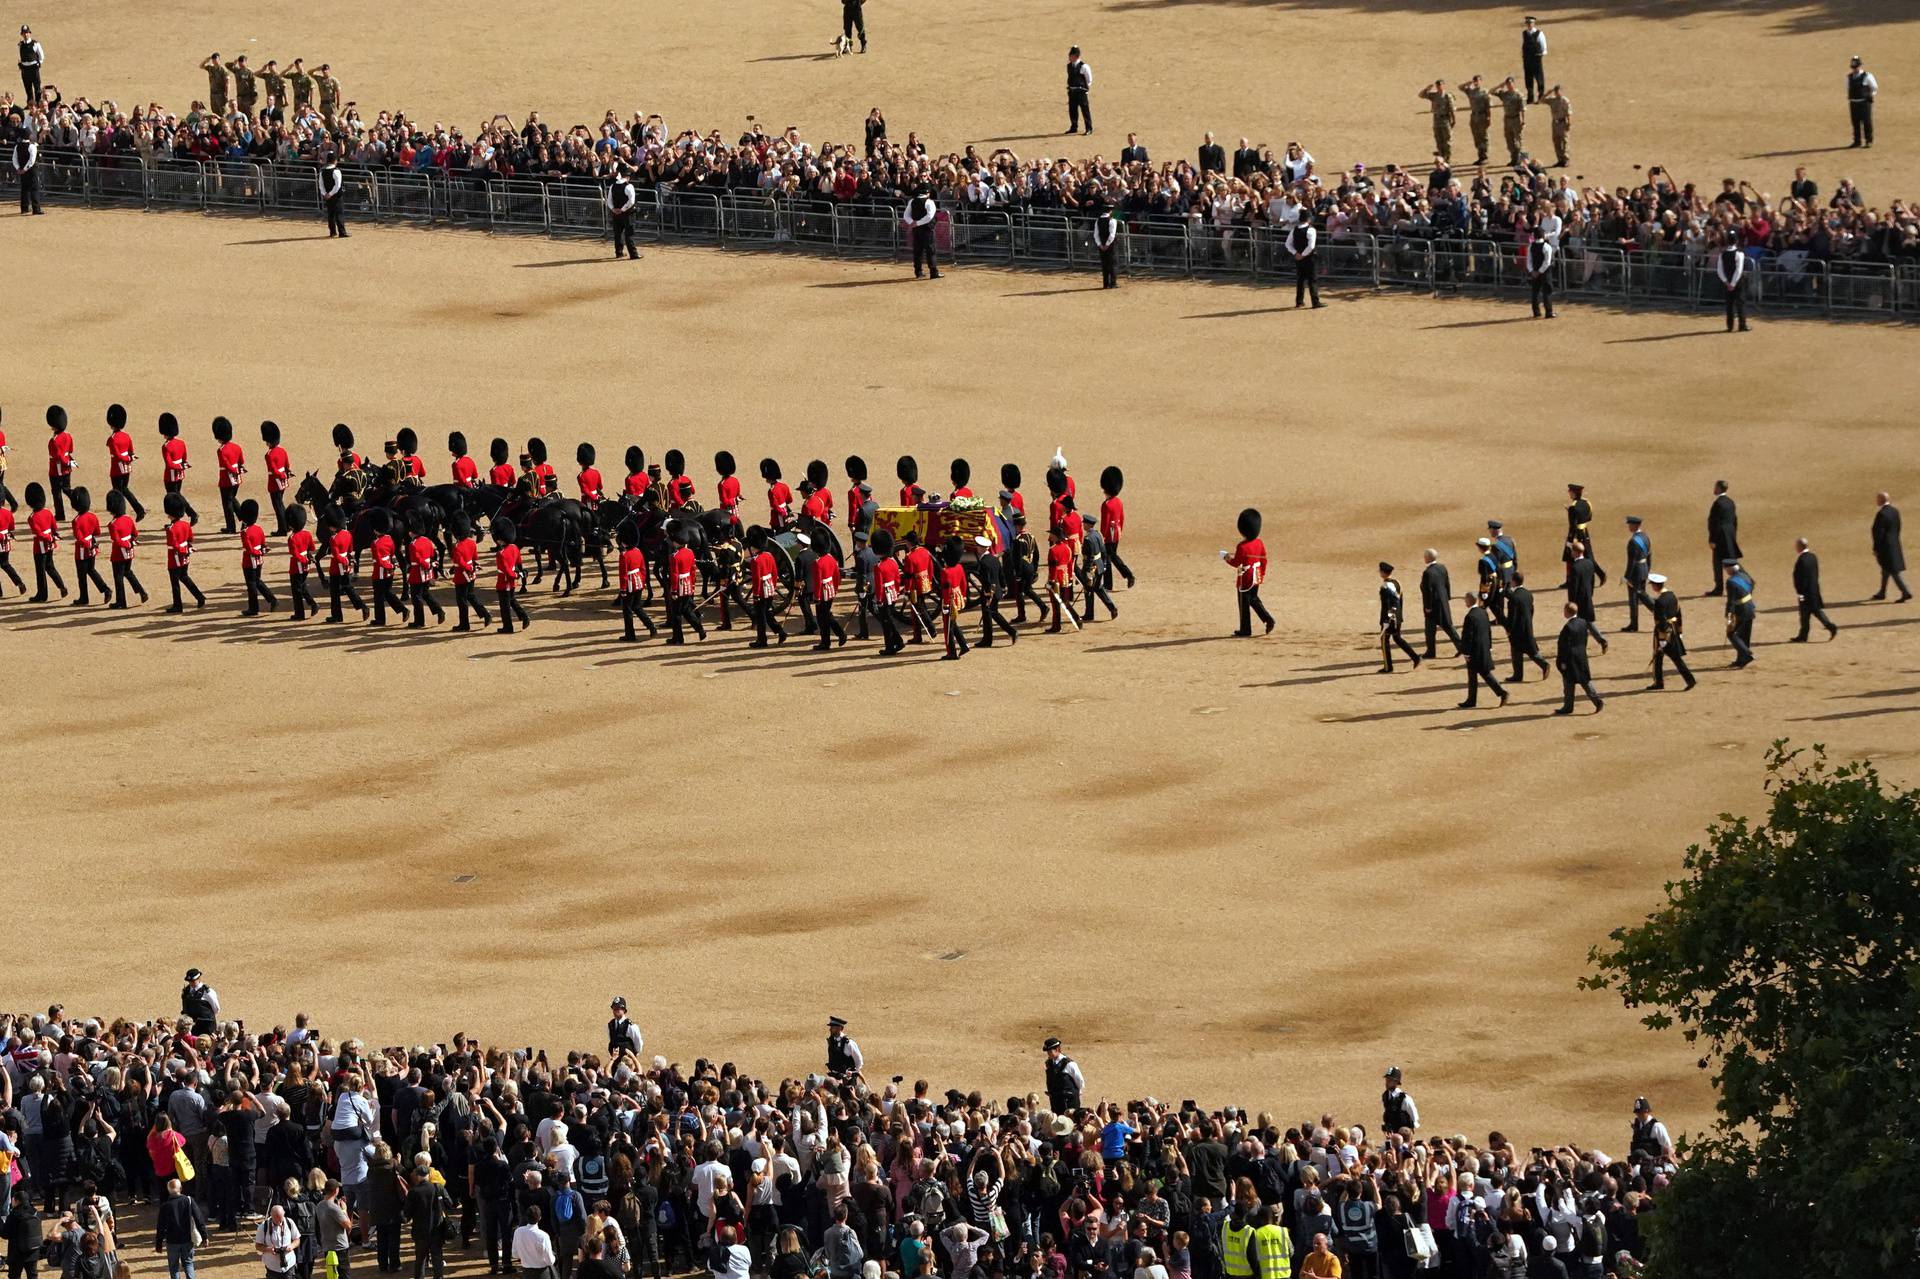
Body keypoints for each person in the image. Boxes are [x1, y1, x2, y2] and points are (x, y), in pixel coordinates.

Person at [1637, 574, 1695, 691]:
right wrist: (1679, 631)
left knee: (1669, 657)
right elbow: (1679, 614)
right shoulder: (1672, 596)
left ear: (1655, 586)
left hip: (1663, 633)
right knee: (1661, 657)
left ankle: (1687, 680)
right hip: (1673, 629)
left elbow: (1661, 622)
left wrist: (1662, 639)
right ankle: (1659, 681)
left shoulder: (1660, 601)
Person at [1552, 602, 1607, 715]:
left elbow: (1563, 646)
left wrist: (1561, 661)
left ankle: (1568, 706)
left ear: (1567, 612)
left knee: (1568, 683)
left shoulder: (1567, 627)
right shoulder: (1583, 622)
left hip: (1570, 659)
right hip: (1581, 656)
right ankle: (1597, 700)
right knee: (1585, 681)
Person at [1224, 509, 1272, 637]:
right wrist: (1262, 574)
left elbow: (1236, 562)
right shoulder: (1259, 543)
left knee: (1244, 603)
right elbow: (1263, 559)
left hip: (1245, 578)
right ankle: (1268, 619)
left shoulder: (1242, 547)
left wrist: (1227, 558)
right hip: (1256, 575)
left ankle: (1245, 629)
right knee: (1254, 599)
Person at [1458, 593, 1507, 709]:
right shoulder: (1483, 612)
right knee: (1474, 675)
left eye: (1466, 600)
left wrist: (1466, 652)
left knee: (1483, 673)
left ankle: (1501, 692)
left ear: (1469, 601)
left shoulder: (1470, 616)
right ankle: (1471, 699)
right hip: (1483, 648)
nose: (1465, 602)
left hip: (1474, 651)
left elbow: (1467, 636)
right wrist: (1489, 646)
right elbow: (1488, 631)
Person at [1503, 571, 1553, 682]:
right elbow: (1531, 610)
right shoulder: (1527, 594)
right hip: (1527, 626)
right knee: (1525, 651)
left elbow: (1512, 617)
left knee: (1520, 651)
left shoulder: (1514, 598)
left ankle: (1541, 666)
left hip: (1517, 629)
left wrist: (1508, 629)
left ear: (1514, 581)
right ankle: (1518, 674)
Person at [744, 528, 788, 648]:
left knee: (761, 617)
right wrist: (773, 587)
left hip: (761, 590)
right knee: (767, 614)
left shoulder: (756, 561)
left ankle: (762, 640)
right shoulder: (769, 555)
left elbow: (757, 580)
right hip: (769, 587)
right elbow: (774, 573)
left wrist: (756, 595)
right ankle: (781, 632)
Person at [156, 1178, 208, 1279]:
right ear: (180, 1188)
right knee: (188, 1263)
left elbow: (160, 1227)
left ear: (169, 1191)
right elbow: (199, 1219)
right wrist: (204, 1236)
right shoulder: (188, 1201)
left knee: (174, 1267)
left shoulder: (165, 1206)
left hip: (172, 1241)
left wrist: (159, 1244)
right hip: (186, 1239)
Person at [405, 1167, 451, 1279]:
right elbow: (449, 1203)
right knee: (437, 1256)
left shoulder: (413, 1191)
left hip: (420, 1230)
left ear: (417, 1176)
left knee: (420, 1259)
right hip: (437, 1229)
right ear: (429, 1174)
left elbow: (407, 1213)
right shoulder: (438, 1187)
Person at [447, 515, 490, 631]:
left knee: (461, 600)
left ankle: (464, 624)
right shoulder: (471, 543)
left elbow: (460, 562)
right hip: (471, 574)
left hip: (462, 575)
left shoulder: (456, 547)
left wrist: (462, 568)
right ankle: (485, 614)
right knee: (471, 595)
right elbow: (474, 557)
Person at [24, 482, 66, 601]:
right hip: (50, 543)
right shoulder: (48, 512)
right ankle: (62, 587)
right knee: (50, 566)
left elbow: (38, 533)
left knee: (40, 570)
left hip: (40, 546)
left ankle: (42, 595)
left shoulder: (32, 518)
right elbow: (54, 526)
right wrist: (52, 537)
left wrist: (48, 537)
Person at [68, 487, 109, 607]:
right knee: (91, 570)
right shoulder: (93, 516)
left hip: (82, 550)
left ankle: (84, 597)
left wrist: (85, 542)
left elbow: (79, 538)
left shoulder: (76, 521)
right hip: (92, 545)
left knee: (82, 576)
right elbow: (97, 532)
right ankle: (105, 589)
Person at [323, 513, 367, 623]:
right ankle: (362, 606)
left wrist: (344, 562)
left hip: (337, 567)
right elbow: (350, 549)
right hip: (346, 564)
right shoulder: (348, 534)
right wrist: (348, 561)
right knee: (348, 588)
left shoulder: (333, 539)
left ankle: (337, 616)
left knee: (334, 592)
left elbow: (337, 556)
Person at [616, 525, 658, 642]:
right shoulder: (638, 551)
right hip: (639, 581)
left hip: (629, 584)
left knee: (627, 610)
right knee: (637, 607)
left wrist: (623, 589)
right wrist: (643, 582)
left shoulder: (624, 555)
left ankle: (630, 634)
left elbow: (623, 574)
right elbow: (643, 569)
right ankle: (651, 627)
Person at [105, 490, 146, 608]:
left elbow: (117, 541)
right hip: (129, 551)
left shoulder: (113, 524)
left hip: (119, 554)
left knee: (118, 578)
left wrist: (126, 544)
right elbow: (135, 533)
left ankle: (121, 602)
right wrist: (129, 543)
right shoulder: (128, 519)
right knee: (128, 572)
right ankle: (142, 592)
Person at [105, 404, 146, 522]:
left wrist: (125, 458)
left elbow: (117, 455)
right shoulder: (126, 436)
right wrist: (128, 459)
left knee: (118, 492)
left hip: (117, 469)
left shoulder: (112, 438)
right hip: (127, 468)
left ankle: (121, 514)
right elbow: (131, 451)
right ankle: (138, 510)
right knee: (124, 490)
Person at [238, 500, 279, 616]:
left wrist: (257, 551)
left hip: (249, 561)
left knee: (251, 585)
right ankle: (272, 599)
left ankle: (253, 608)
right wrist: (262, 550)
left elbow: (249, 548)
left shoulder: (245, 532)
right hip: (259, 560)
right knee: (257, 581)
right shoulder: (258, 528)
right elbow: (263, 543)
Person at [158, 413, 198, 526]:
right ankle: (177, 519)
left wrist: (178, 466)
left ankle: (191, 513)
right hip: (180, 474)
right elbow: (184, 458)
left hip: (171, 475)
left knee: (174, 498)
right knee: (177, 495)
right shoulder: (181, 443)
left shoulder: (166, 446)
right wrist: (181, 466)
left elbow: (169, 463)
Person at [1418, 549, 1458, 658]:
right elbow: (1447, 583)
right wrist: (1447, 597)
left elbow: (1428, 591)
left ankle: (1431, 652)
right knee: (1448, 626)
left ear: (1428, 558)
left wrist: (1428, 606)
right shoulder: (1442, 567)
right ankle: (1461, 647)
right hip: (1442, 602)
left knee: (1430, 630)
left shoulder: (1427, 573)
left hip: (1433, 605)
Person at [494, 519, 531, 634]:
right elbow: (519, 562)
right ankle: (524, 616)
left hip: (504, 582)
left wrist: (516, 575)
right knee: (512, 600)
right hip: (512, 582)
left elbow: (506, 570)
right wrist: (520, 573)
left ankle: (508, 626)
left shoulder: (501, 554)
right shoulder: (515, 547)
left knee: (504, 607)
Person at [367, 513, 404, 626]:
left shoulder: (375, 543)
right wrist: (393, 565)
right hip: (389, 570)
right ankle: (402, 609)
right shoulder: (389, 538)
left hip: (380, 572)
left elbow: (378, 560)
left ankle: (380, 619)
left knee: (378, 597)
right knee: (387, 593)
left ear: (376, 530)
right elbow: (392, 553)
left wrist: (389, 566)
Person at [1871, 491, 1909, 601]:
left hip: (1885, 547)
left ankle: (1905, 592)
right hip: (1894, 544)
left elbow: (1878, 533)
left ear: (1881, 500)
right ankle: (1882, 592)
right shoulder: (1894, 511)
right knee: (1885, 570)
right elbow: (1897, 527)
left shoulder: (1882, 514)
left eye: (1878, 499)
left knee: (1893, 571)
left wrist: (1876, 548)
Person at [406, 522, 446, 628]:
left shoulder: (413, 544)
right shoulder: (427, 540)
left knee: (416, 597)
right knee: (425, 594)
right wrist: (430, 565)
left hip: (417, 572)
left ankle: (419, 622)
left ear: (412, 532)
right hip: (427, 572)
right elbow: (433, 554)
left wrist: (427, 565)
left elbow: (417, 559)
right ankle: (439, 610)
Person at [810, 536, 846, 649]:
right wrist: (834, 589)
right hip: (830, 590)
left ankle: (827, 641)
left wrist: (816, 597)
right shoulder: (831, 558)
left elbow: (817, 582)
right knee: (826, 615)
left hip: (822, 593)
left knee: (822, 619)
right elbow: (837, 576)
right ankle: (838, 635)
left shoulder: (818, 562)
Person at [1706, 479, 1740, 596]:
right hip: (1729, 535)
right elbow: (1734, 521)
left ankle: (1719, 588)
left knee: (1718, 563)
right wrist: (1732, 536)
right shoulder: (1730, 502)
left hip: (1720, 537)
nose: (1714, 489)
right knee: (1730, 561)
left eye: (1715, 487)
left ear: (1719, 488)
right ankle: (1744, 581)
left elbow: (1713, 523)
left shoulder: (1718, 503)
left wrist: (1712, 539)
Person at [285, 505, 319, 621]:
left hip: (297, 566)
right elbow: (311, 548)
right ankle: (313, 604)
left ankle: (299, 614)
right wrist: (309, 557)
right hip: (306, 565)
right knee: (302, 586)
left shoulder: (292, 538)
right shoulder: (307, 534)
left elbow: (295, 554)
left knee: (296, 591)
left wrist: (304, 559)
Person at [212, 417, 245, 533]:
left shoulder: (221, 450)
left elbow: (226, 465)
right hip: (236, 479)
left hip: (226, 479)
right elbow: (242, 461)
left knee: (227, 504)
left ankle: (231, 527)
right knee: (231, 499)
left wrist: (233, 471)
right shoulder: (237, 447)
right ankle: (245, 519)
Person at [1722, 559, 1756, 668]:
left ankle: (1746, 653)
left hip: (1741, 610)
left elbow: (1731, 600)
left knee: (1731, 633)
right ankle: (1741, 660)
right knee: (1744, 636)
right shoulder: (1745, 575)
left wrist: (1729, 614)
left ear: (1729, 568)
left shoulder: (1731, 581)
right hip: (1750, 607)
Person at [261, 422, 293, 533]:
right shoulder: (282, 450)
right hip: (283, 479)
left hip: (275, 482)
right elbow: (287, 465)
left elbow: (274, 470)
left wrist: (281, 475)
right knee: (280, 503)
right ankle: (287, 525)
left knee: (278, 506)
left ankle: (282, 529)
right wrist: (285, 474)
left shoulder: (269, 454)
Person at [46, 405, 75, 521]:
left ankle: (60, 514)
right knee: (67, 488)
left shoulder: (54, 440)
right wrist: (69, 463)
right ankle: (78, 500)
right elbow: (70, 450)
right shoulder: (68, 436)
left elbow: (58, 456)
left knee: (56, 492)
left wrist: (65, 462)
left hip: (56, 469)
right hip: (67, 467)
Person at [1622, 517, 1651, 631]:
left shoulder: (1633, 541)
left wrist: (1627, 577)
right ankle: (1657, 611)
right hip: (1644, 569)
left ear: (1635, 526)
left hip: (1635, 573)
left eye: (1630, 525)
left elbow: (1632, 561)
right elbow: (1649, 555)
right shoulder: (1645, 537)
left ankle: (1634, 624)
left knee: (1633, 599)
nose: (1629, 527)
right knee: (1642, 595)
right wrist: (1648, 570)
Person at [904, 186, 939, 280]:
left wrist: (912, 223)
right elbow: (929, 216)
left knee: (917, 251)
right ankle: (933, 272)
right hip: (927, 229)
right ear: (927, 193)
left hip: (916, 230)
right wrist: (918, 223)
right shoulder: (929, 202)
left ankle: (918, 272)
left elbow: (906, 215)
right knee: (930, 250)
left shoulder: (912, 201)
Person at [512, 1205, 556, 1279]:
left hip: (527, 1273)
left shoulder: (518, 1232)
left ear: (526, 1217)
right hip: (542, 1274)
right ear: (540, 1218)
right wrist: (554, 1256)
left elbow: (515, 1254)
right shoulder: (543, 1236)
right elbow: (550, 1261)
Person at [259, 1205, 303, 1279]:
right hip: (272, 1266)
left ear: (284, 1213)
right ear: (271, 1215)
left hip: (289, 1263)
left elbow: (297, 1239)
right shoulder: (263, 1226)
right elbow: (258, 1246)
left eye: (281, 1218)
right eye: (276, 1219)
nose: (279, 1222)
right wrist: (268, 1249)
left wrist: (291, 1246)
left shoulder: (289, 1222)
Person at [1288, 217, 1323, 308]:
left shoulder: (1294, 230)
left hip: (1299, 258)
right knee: (1312, 280)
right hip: (1309, 258)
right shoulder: (1311, 230)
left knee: (1300, 280)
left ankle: (1299, 301)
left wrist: (1296, 253)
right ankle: (1315, 302)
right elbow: (1311, 246)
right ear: (1309, 219)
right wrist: (1303, 255)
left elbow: (1287, 244)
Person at [1715, 240, 1749, 332]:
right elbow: (1739, 270)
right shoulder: (1739, 254)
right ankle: (1742, 325)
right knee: (1740, 303)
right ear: (1736, 241)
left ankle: (1730, 326)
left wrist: (1726, 282)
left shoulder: (1722, 254)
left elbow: (1719, 270)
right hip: (1738, 282)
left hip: (1727, 281)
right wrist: (1733, 284)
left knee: (1729, 304)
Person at [1043, 1038, 1083, 1114]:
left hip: (1069, 1103)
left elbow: (1079, 1081)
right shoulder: (1049, 1064)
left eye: (1050, 1051)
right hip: (1056, 1102)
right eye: (1048, 1051)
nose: (1048, 1053)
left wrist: (1075, 1092)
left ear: (1058, 1049)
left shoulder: (1069, 1064)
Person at [607, 168, 640, 261]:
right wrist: (622, 209)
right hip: (627, 214)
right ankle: (633, 254)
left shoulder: (612, 186)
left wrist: (613, 209)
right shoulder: (629, 186)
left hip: (616, 213)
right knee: (629, 234)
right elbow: (632, 201)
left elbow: (609, 200)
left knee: (617, 233)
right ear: (628, 177)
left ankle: (619, 252)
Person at [1419, 81, 1456, 162]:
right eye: (1437, 85)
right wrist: (1427, 89)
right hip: (1436, 120)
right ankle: (1441, 156)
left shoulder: (1447, 96)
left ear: (1443, 85)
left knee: (1447, 140)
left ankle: (1447, 158)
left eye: (1440, 85)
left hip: (1445, 119)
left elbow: (1452, 109)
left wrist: (1454, 120)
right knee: (1438, 139)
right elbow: (1421, 95)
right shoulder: (1434, 95)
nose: (1438, 87)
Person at [1494, 77, 1526, 165]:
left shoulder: (1518, 95)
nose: (1509, 85)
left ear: (1514, 84)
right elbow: (1491, 92)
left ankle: (1522, 161)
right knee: (1509, 140)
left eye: (1510, 83)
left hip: (1516, 118)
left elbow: (1523, 109)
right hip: (1507, 119)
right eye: (1507, 84)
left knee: (1518, 140)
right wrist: (1500, 86)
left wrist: (1523, 120)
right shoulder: (1505, 94)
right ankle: (1514, 159)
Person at [12, 122, 42, 215]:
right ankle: (36, 209)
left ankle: (24, 208)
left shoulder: (17, 146)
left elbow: (14, 159)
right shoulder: (32, 146)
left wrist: (18, 168)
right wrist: (25, 168)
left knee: (24, 188)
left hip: (21, 170)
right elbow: (32, 160)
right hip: (31, 170)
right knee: (34, 188)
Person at [1462, 74, 1492, 165]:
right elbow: (1461, 87)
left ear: (1481, 81)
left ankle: (1485, 156)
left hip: (1482, 116)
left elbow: (1488, 107)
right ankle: (1480, 156)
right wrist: (1469, 83)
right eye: (1475, 80)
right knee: (1477, 137)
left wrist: (1489, 118)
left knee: (1483, 137)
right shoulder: (1471, 91)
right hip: (1474, 116)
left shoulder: (1485, 92)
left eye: (1478, 80)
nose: (1476, 82)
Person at [1847, 56, 1876, 148]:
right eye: (1853, 67)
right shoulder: (1849, 77)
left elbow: (1874, 87)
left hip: (1864, 103)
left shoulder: (1867, 76)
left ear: (1860, 66)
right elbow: (1848, 88)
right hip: (1853, 103)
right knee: (1855, 122)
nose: (1855, 69)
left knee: (1867, 122)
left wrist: (1869, 95)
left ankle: (1869, 141)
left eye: (1856, 67)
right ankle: (1857, 141)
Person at [1525, 230, 1555, 318]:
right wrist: (1540, 271)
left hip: (1534, 271)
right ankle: (1548, 312)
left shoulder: (1531, 246)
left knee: (1535, 291)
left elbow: (1528, 260)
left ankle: (1536, 312)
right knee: (1547, 291)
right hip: (1545, 272)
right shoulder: (1546, 246)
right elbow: (1547, 262)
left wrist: (1532, 271)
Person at [1066, 46, 1093, 134]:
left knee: (1085, 110)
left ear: (1076, 56)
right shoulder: (1069, 66)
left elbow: (1089, 79)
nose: (1069, 57)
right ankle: (1074, 126)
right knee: (1072, 110)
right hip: (1072, 91)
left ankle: (1089, 128)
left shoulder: (1084, 66)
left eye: (1071, 55)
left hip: (1081, 92)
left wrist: (1084, 88)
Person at [1521, 17, 1548, 103]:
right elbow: (1523, 46)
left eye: (1530, 23)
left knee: (1539, 78)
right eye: (1528, 23)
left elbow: (1544, 47)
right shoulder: (1524, 33)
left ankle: (1540, 96)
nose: (1529, 25)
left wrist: (1540, 54)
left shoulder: (1539, 33)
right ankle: (1530, 97)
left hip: (1536, 59)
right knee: (1528, 78)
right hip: (1527, 60)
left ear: (1534, 23)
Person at [1543, 84, 1572, 167]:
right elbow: (1541, 101)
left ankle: (1566, 160)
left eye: (1558, 91)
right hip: (1555, 123)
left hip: (1562, 122)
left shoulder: (1565, 100)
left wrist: (1569, 123)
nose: (1556, 93)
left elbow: (1568, 112)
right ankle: (1560, 160)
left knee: (1564, 141)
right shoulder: (1552, 100)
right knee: (1556, 141)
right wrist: (1547, 93)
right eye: (1555, 91)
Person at [1094, 204, 1120, 289]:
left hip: (1101, 245)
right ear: (1110, 211)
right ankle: (1113, 283)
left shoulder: (1097, 220)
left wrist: (1100, 244)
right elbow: (1112, 235)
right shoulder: (1112, 221)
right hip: (1111, 246)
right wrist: (1107, 244)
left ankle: (1105, 284)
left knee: (1104, 264)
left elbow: (1095, 235)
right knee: (1113, 264)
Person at [321, 159, 348, 238]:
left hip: (327, 196)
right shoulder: (336, 171)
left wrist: (325, 193)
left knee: (331, 214)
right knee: (339, 214)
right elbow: (338, 185)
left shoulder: (322, 171)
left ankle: (332, 232)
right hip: (336, 196)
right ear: (335, 161)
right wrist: (331, 194)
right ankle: (342, 232)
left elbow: (321, 184)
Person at [18, 25, 43, 102]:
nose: (25, 34)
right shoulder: (20, 45)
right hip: (25, 69)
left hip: (34, 68)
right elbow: (20, 55)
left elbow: (41, 55)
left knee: (37, 87)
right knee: (27, 87)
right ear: (21, 34)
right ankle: (30, 103)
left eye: (27, 33)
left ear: (29, 33)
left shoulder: (35, 43)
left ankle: (38, 103)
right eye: (24, 33)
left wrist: (39, 63)